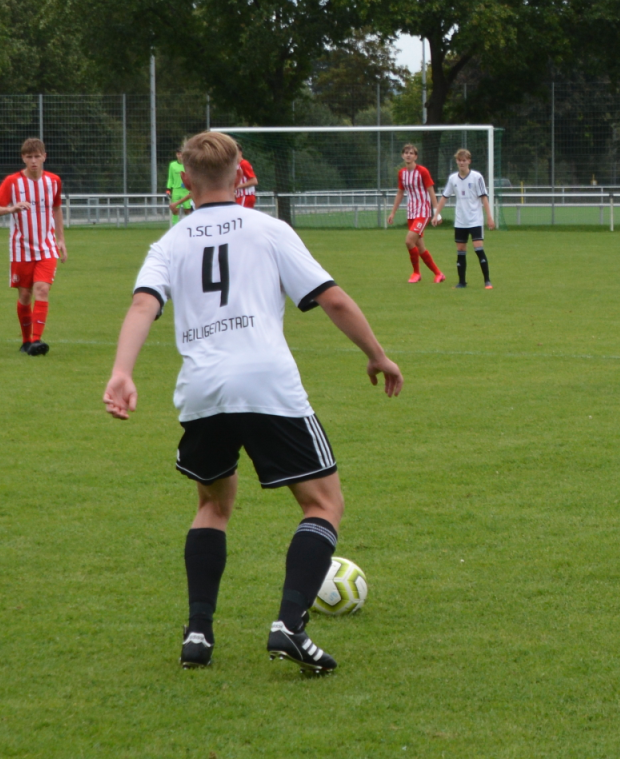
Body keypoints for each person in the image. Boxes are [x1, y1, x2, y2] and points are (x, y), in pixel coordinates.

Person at [102, 131, 403, 674]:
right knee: (323, 504)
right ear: (242, 176)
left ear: (186, 182)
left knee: (212, 506)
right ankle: (289, 625)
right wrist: (377, 355)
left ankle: (198, 634)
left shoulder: (169, 243)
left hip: (203, 388)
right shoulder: (268, 229)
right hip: (267, 384)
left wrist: (122, 372)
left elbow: (143, 305)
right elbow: (330, 297)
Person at [0, 137, 67, 356]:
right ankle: (25, 341)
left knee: (42, 289)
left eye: (37, 156)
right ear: (23, 158)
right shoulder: (13, 182)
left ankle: (36, 341)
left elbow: (57, 208)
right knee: (24, 295)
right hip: (21, 248)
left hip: (47, 247)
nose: (33, 161)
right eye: (29, 157)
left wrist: (61, 239)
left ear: (44, 157)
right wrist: (10, 209)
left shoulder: (54, 181)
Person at [434, 148, 496, 289]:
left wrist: (489, 218)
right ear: (456, 161)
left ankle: (487, 281)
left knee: (478, 248)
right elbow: (444, 197)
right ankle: (462, 282)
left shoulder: (477, 177)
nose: (462, 163)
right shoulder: (453, 179)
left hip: (475, 220)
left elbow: (484, 198)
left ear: (469, 161)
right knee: (460, 250)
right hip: (460, 221)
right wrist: (436, 213)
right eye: (459, 160)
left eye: (464, 160)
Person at [386, 143, 444, 283]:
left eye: (411, 153)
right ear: (402, 155)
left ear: (416, 156)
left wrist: (436, 212)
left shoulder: (422, 171)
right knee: (420, 246)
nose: (408, 155)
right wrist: (392, 213)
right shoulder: (402, 173)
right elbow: (400, 193)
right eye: (406, 152)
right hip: (411, 212)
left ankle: (416, 273)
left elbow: (431, 190)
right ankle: (438, 274)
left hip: (422, 212)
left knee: (408, 241)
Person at [166, 145, 194, 224]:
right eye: (178, 153)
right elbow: (170, 178)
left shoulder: (188, 164)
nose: (180, 155)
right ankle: (175, 227)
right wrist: (168, 189)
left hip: (186, 190)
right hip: (176, 190)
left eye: (181, 153)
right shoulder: (172, 165)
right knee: (175, 210)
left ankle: (188, 225)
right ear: (176, 155)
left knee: (187, 210)